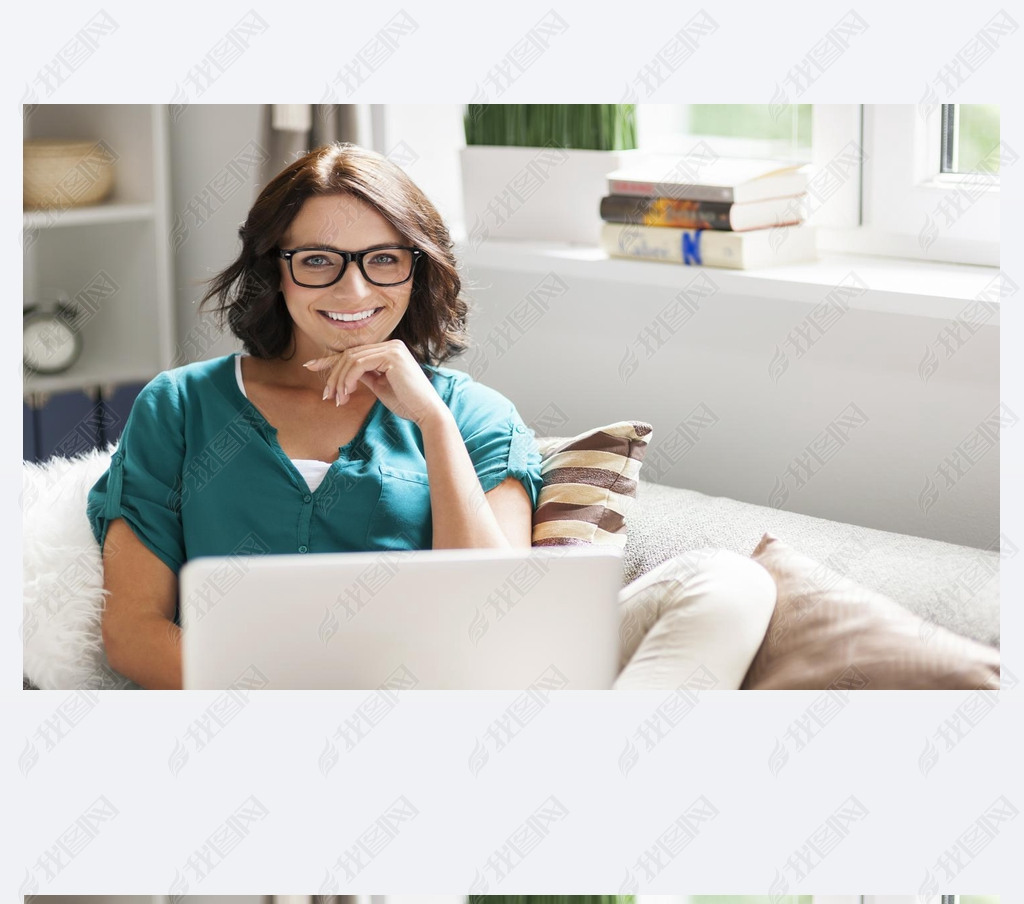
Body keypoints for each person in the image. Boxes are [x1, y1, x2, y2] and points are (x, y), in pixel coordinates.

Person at [87, 143, 776, 691]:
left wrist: (433, 428)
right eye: (319, 261)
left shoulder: (473, 415)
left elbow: (494, 615)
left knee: (730, 585)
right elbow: (134, 630)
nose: (354, 290)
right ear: (276, 270)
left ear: (417, 270)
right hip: (248, 719)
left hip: (449, 706)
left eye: (384, 260)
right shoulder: (179, 406)